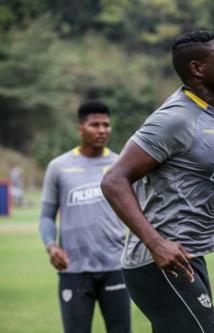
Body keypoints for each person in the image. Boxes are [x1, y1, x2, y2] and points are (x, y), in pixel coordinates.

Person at [101, 30, 214, 333]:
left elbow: (193, 169)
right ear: (198, 68)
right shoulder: (175, 118)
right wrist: (156, 244)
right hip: (158, 262)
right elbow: (114, 181)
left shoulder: (212, 113)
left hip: (187, 256)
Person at [39, 101, 131, 333]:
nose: (102, 130)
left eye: (106, 125)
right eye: (95, 125)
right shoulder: (59, 167)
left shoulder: (121, 165)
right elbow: (47, 217)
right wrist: (51, 246)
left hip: (115, 266)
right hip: (73, 269)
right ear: (80, 127)